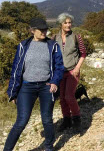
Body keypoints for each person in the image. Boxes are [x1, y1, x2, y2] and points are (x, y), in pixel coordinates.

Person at [5, 18, 64, 151]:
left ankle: (49, 147)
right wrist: (13, 92)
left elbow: (59, 66)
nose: (44, 32)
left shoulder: (52, 45)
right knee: (21, 121)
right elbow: (16, 69)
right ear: (32, 31)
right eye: (41, 29)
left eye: (45, 29)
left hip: (46, 87)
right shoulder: (23, 46)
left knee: (47, 120)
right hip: (26, 87)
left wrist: (55, 82)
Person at [52, 13, 87, 132]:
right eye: (65, 22)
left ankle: (77, 118)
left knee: (69, 96)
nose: (68, 25)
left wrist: (77, 68)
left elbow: (83, 53)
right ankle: (66, 119)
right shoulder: (54, 38)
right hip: (60, 72)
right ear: (60, 24)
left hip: (73, 71)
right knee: (62, 98)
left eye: (69, 22)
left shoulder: (76, 36)